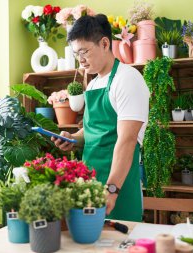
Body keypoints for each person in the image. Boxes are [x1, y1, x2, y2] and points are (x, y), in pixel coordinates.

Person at [52, 14, 150, 221]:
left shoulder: (128, 79)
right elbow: (92, 131)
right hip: (89, 184)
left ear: (105, 43)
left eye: (84, 51)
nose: (80, 60)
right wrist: (72, 139)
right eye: (76, 54)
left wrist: (111, 189)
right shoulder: (95, 83)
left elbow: (127, 140)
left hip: (117, 187)